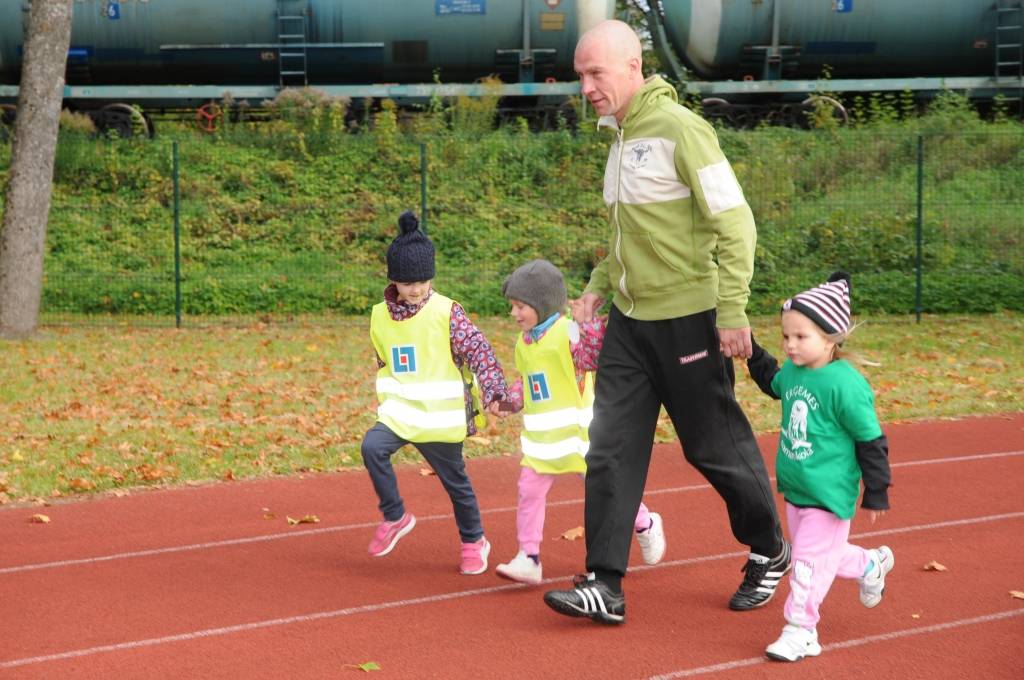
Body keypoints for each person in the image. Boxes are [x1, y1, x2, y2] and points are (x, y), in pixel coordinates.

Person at [543, 20, 789, 624]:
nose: (586, 87)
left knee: (712, 447)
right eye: (580, 75)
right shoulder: (619, 137)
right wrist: (599, 288)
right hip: (630, 322)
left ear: (632, 67)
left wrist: (732, 310)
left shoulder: (681, 130)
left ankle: (770, 547)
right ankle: (605, 582)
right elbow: (629, 234)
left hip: (690, 318)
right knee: (610, 448)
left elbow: (736, 224)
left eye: (595, 74)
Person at [745, 272, 893, 662]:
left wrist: (876, 489)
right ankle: (871, 563)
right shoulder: (794, 372)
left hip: (829, 493)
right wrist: (749, 350)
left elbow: (870, 439)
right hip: (797, 488)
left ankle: (801, 631)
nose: (791, 345)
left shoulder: (845, 384)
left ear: (830, 337)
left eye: (801, 337)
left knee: (807, 564)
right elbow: (772, 380)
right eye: (786, 336)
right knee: (825, 556)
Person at [493, 259, 666, 588]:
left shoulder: (566, 332)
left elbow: (591, 357)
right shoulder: (524, 342)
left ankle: (645, 522)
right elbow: (528, 383)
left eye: (520, 306)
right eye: (512, 307)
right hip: (543, 443)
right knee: (529, 491)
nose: (514, 314)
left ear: (542, 305)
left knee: (609, 490)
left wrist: (586, 324)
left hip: (581, 439)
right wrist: (508, 401)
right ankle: (528, 557)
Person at [362, 211, 509, 575]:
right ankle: (395, 516)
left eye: (424, 280)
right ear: (393, 279)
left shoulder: (448, 313)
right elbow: (385, 359)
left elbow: (478, 350)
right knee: (371, 448)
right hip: (400, 413)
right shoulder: (379, 315)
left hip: (440, 418)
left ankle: (474, 540)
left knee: (456, 484)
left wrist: (493, 390)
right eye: (408, 282)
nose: (416, 288)